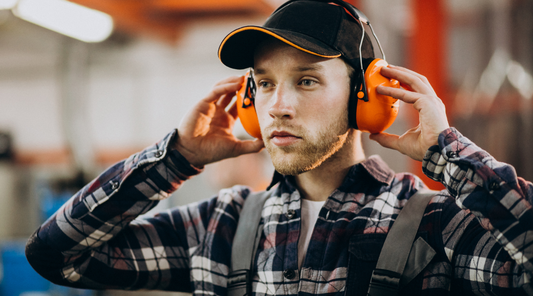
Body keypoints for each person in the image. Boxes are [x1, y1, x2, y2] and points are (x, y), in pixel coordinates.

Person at [26, 0, 533, 295]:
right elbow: (57, 255)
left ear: (367, 97)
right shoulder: (217, 227)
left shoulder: (433, 224)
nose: (277, 106)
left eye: (307, 81)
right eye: (264, 83)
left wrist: (449, 155)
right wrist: (176, 159)